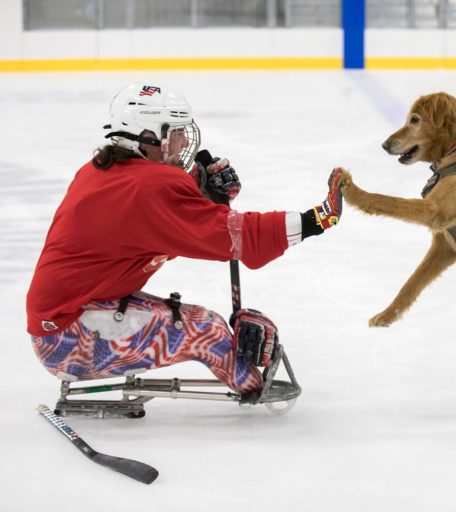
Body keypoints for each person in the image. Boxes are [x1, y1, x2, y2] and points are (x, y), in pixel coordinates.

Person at [26, 82, 343, 402]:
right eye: (173, 131)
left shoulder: (105, 172)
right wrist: (314, 220)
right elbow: (230, 235)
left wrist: (203, 196)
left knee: (203, 323)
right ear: (148, 135)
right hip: (69, 339)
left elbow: (165, 229)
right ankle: (252, 385)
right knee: (208, 331)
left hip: (64, 323)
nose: (182, 140)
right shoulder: (147, 186)